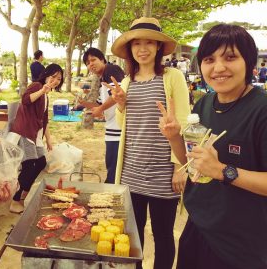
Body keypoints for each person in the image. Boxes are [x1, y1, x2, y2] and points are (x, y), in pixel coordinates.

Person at [158, 24, 267, 269]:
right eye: (209, 59)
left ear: (249, 61)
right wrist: (174, 137)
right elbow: (192, 161)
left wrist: (222, 170)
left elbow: (215, 169)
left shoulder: (261, 110)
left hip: (240, 244)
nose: (218, 68)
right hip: (198, 226)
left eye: (230, 57)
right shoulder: (205, 104)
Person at [106, 17, 191, 269]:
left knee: (163, 234)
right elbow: (124, 125)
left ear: (158, 47)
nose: (142, 49)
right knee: (133, 233)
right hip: (131, 169)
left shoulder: (172, 77)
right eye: (137, 43)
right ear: (130, 49)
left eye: (149, 43)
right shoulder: (126, 81)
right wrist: (121, 103)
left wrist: (179, 166)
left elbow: (183, 121)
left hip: (163, 171)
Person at [8, 63, 64, 213]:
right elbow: (25, 100)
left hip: (35, 134)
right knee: (30, 164)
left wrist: (49, 139)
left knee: (41, 162)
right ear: (46, 75)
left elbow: (45, 120)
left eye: (59, 78)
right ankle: (15, 200)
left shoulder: (46, 95)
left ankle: (23, 193)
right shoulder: (36, 85)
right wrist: (42, 90)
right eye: (53, 76)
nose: (56, 80)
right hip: (25, 131)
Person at [79, 47, 125, 184]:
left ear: (103, 60)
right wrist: (84, 104)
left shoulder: (111, 70)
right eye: (87, 63)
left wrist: (100, 109)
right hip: (112, 128)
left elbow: (117, 95)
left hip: (118, 128)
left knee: (114, 169)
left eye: (93, 60)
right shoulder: (101, 79)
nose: (90, 64)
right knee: (111, 165)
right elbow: (100, 104)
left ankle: (110, 195)